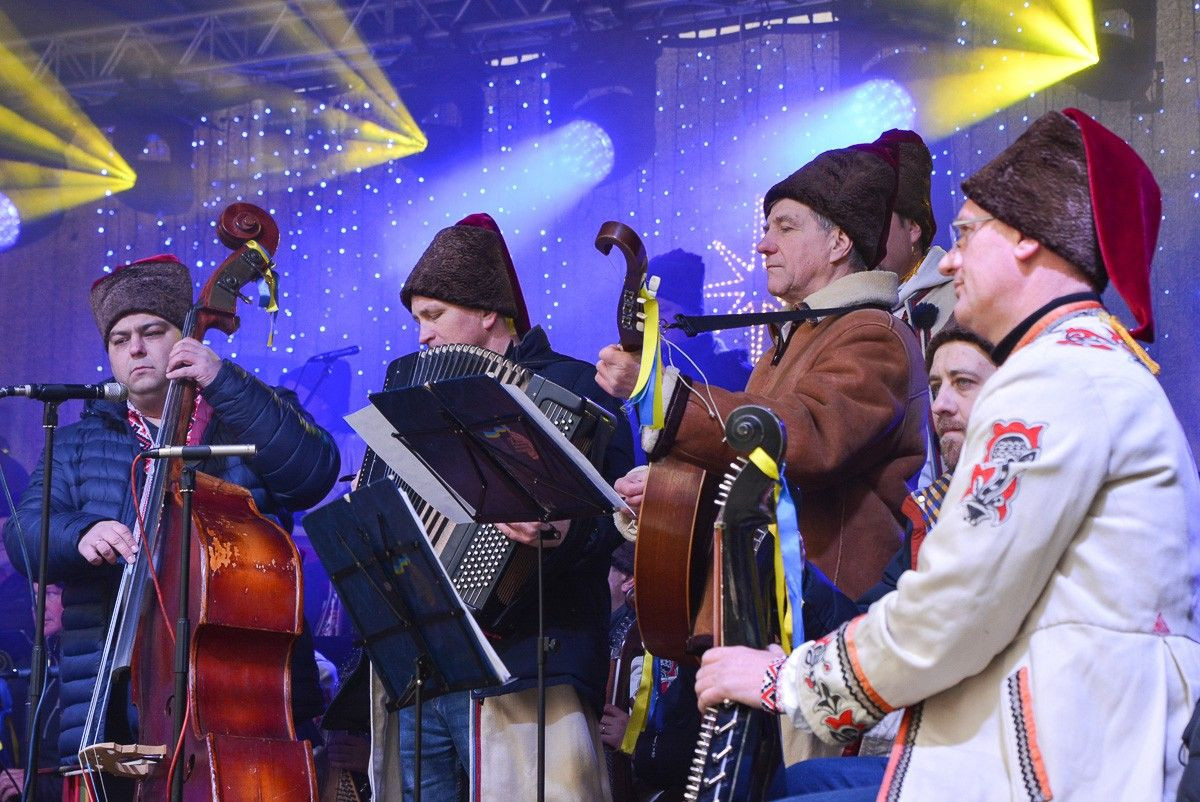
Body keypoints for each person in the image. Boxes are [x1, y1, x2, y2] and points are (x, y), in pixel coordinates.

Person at [694, 108, 1200, 800]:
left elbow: (952, 609)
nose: (950, 258)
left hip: (1058, 764)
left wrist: (787, 680)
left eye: (965, 235)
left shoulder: (1055, 380)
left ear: (1025, 242)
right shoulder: (1087, 367)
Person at [1, 256, 340, 782]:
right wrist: (79, 533)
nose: (135, 348)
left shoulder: (252, 409)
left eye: (151, 331)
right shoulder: (72, 444)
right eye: (119, 339)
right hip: (112, 694)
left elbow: (314, 472)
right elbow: (23, 536)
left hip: (243, 693)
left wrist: (223, 380)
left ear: (184, 335)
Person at [361, 213, 634, 801]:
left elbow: (618, 517)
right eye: (416, 320)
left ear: (488, 311)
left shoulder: (574, 386)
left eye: (433, 316)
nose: (422, 336)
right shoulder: (409, 388)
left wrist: (561, 529)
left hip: (528, 658)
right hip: (420, 667)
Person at [597, 143, 930, 599]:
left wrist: (662, 393)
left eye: (785, 227)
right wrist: (669, 492)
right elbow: (756, 476)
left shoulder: (874, 335)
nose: (763, 243)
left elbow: (805, 442)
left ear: (839, 242)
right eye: (766, 227)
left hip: (828, 615)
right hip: (774, 603)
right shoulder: (797, 337)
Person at [779, 323, 996, 797]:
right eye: (936, 387)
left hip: (996, 750)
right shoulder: (934, 512)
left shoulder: (1009, 502)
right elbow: (869, 619)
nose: (940, 405)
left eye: (963, 384)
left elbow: (925, 641)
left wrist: (779, 681)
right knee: (787, 783)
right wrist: (790, 572)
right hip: (944, 741)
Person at [874, 129, 953, 346]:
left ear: (913, 229)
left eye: (877, 223)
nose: (865, 237)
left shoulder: (959, 298)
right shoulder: (856, 304)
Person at [648, 248, 752, 391]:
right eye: (647, 310)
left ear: (692, 314)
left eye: (662, 310)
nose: (652, 318)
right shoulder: (645, 363)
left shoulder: (734, 374)